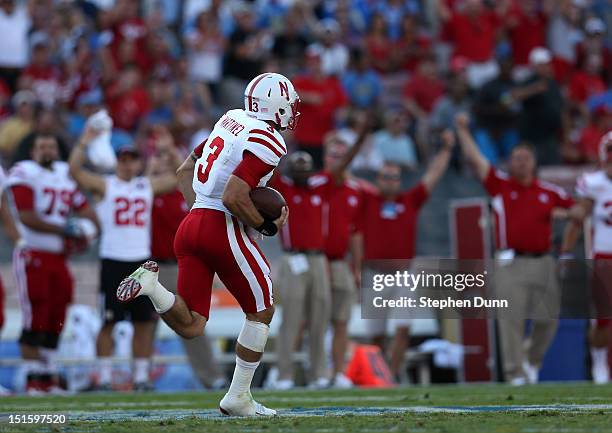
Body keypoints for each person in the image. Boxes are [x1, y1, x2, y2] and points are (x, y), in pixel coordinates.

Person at [117, 73, 297, 416]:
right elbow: (233, 196)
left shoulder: (231, 118)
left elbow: (186, 170)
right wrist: (265, 225)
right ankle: (238, 398)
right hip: (219, 225)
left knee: (192, 324)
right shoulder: (269, 140)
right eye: (289, 105)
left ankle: (152, 288)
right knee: (262, 309)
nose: (292, 111)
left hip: (192, 223)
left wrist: (200, 212)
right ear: (275, 106)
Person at [455, 112, 574, 385]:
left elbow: (578, 210)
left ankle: (531, 359)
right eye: (516, 158)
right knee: (511, 319)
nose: (520, 163)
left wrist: (566, 215)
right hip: (510, 262)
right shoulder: (500, 186)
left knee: (549, 317)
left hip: (543, 260)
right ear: (510, 162)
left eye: (525, 158)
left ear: (534, 162)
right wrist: (463, 131)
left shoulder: (549, 191)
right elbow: (476, 159)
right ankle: (514, 373)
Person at [68, 131, 179, 391]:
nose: (128, 164)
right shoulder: (107, 184)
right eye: (124, 159)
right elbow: (75, 170)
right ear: (117, 162)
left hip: (141, 261)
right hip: (113, 260)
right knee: (109, 321)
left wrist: (170, 149)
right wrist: (84, 141)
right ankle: (104, 377)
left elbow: (180, 175)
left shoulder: (145, 185)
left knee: (142, 322)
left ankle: (140, 377)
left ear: (139, 162)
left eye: (132, 159)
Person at [359, 130, 455, 379]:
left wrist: (446, 151)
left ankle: (392, 374)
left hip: (404, 275)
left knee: (403, 329)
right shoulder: (368, 200)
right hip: (375, 274)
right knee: (376, 335)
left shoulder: (410, 200)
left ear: (400, 180)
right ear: (378, 179)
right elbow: (344, 176)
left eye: (394, 177)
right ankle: (381, 374)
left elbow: (432, 176)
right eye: (386, 177)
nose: (390, 181)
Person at [7, 134, 98, 393]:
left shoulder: (64, 173)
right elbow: (26, 217)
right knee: (36, 312)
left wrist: (93, 229)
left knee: (57, 314)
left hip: (59, 257)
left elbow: (85, 209)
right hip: (32, 253)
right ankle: (32, 377)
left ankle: (48, 377)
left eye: (51, 145)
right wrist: (68, 229)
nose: (47, 150)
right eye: (41, 146)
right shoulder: (24, 171)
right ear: (33, 151)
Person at [147, 130, 226, 390]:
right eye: (158, 155)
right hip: (155, 265)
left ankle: (210, 376)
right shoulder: (146, 190)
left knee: (190, 324)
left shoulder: (190, 189)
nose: (165, 159)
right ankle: (138, 377)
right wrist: (157, 162)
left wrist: (170, 153)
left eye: (168, 154)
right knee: (142, 326)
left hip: (183, 265)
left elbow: (183, 169)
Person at [561, 132, 612, 384]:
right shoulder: (593, 183)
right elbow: (578, 218)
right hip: (604, 255)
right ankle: (600, 366)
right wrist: (567, 251)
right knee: (603, 317)